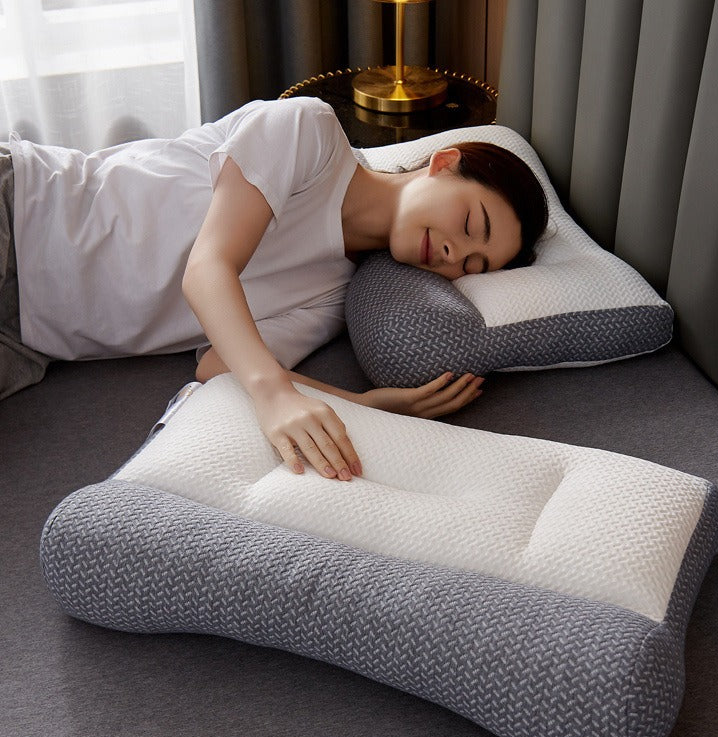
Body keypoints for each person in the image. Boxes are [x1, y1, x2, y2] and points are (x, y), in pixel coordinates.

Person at [1, 97, 548, 479]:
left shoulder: (334, 299)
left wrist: (365, 404)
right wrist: (275, 395)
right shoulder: (310, 133)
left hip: (29, 340)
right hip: (23, 210)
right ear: (444, 164)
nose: (457, 252)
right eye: (471, 224)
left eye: (475, 265)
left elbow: (218, 363)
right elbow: (208, 266)